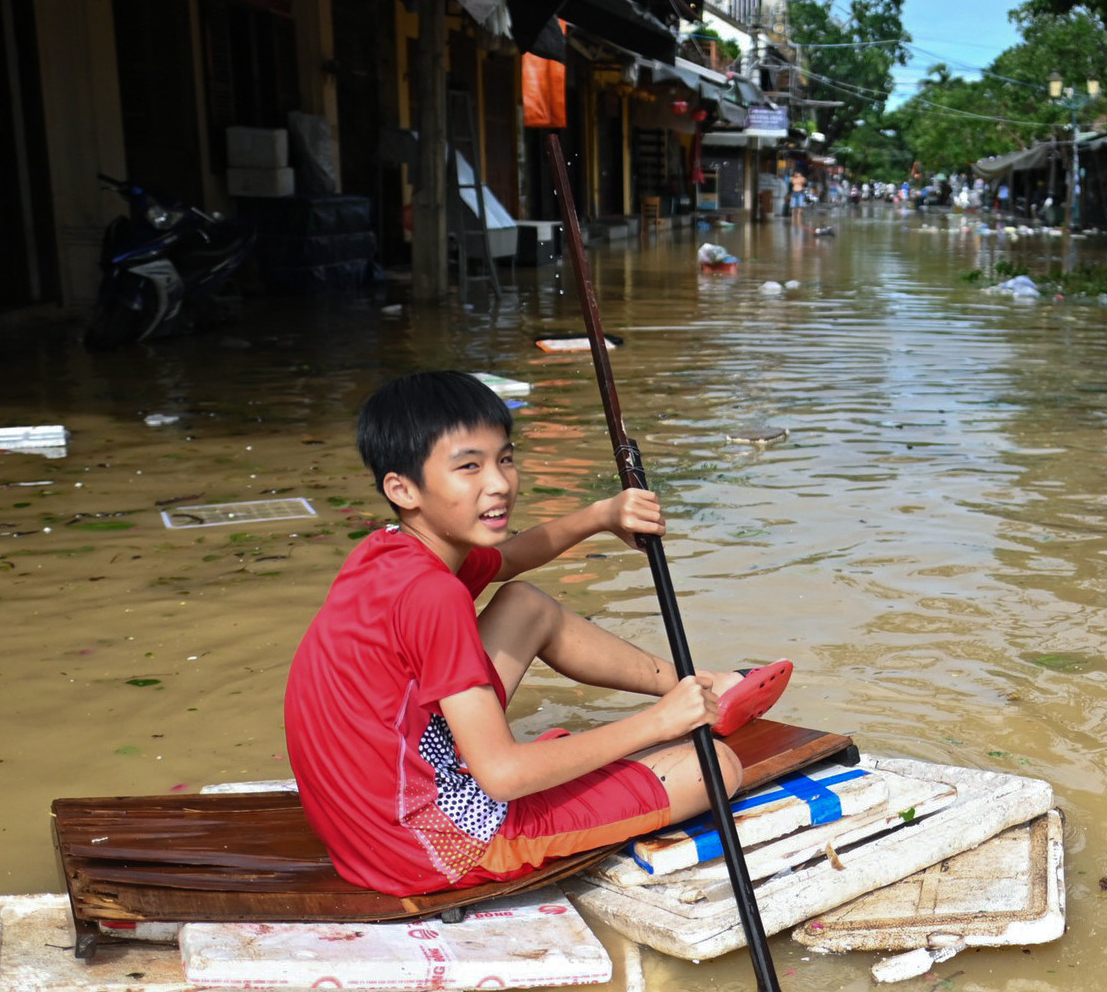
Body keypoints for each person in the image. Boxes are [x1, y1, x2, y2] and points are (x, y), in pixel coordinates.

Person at [283, 372, 791, 897]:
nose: (499, 483)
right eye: (468, 467)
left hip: (362, 833)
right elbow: (501, 774)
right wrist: (656, 726)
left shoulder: (389, 551)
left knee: (524, 604)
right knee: (717, 768)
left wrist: (602, 515)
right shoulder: (434, 595)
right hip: (429, 848)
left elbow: (510, 560)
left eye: (504, 459)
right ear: (402, 488)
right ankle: (680, 706)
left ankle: (699, 685)